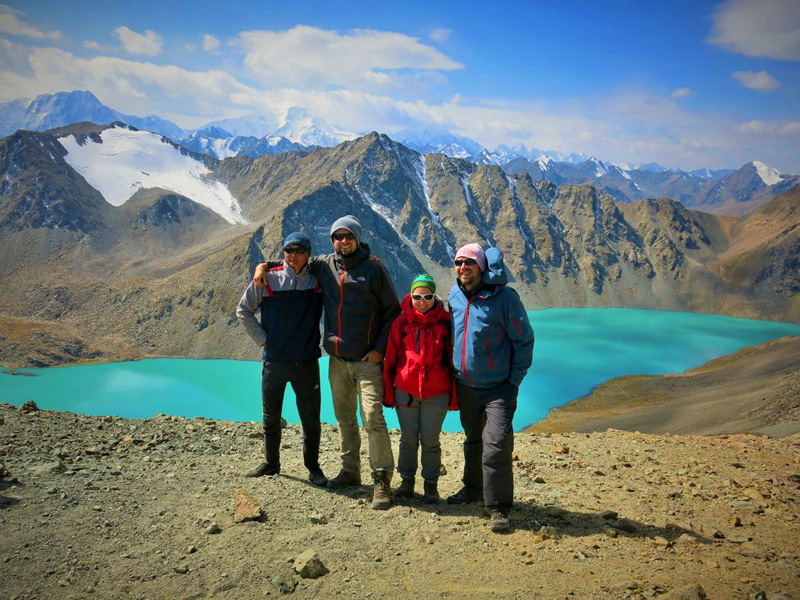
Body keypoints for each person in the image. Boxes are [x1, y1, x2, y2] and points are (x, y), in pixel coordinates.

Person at [254, 216, 400, 510]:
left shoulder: (374, 269)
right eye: (337, 237)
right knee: (344, 417)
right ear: (332, 240)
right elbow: (292, 259)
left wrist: (380, 349)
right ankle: (349, 471)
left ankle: (381, 480)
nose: (343, 241)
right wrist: (263, 266)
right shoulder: (323, 264)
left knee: (372, 417)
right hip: (337, 359)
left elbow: (391, 312)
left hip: (367, 359)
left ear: (357, 238)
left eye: (348, 236)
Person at [445, 243, 534, 533]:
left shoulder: (504, 298)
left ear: (482, 267)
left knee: (495, 446)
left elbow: (524, 340)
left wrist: (512, 382)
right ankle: (472, 489)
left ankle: (498, 508)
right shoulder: (455, 295)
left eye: (469, 263)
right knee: (473, 441)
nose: (463, 268)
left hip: (499, 389)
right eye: (458, 262)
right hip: (466, 386)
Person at [236, 232, 328, 487]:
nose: (293, 255)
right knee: (271, 416)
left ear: (308, 253)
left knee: (311, 419)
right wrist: (264, 340)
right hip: (274, 361)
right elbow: (243, 310)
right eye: (288, 250)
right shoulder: (267, 278)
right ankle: (271, 463)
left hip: (306, 361)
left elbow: (341, 264)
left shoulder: (318, 279)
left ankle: (313, 468)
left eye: (299, 250)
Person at [382, 274, 457, 504]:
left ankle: (430, 485)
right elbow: (390, 359)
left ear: (435, 297)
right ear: (410, 296)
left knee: (431, 440)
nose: (422, 301)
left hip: (436, 393)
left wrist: (454, 397)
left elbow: (453, 359)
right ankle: (406, 482)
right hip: (406, 391)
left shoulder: (445, 322)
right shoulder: (401, 322)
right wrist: (388, 393)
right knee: (408, 439)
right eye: (417, 296)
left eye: (427, 296)